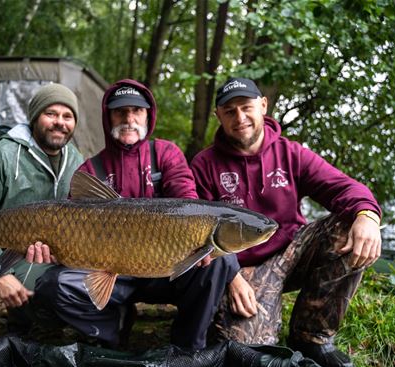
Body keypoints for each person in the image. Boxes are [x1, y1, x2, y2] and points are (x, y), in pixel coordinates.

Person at [26, 79, 241, 351]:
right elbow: (71, 233)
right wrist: (54, 248)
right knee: (52, 284)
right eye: (120, 111)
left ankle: (188, 348)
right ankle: (110, 330)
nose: (129, 118)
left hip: (167, 267)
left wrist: (228, 267)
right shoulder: (90, 170)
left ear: (148, 116)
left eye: (136, 111)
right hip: (110, 271)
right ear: (108, 117)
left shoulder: (165, 153)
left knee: (220, 260)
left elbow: (189, 201)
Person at [190, 77, 382, 367]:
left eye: (246, 107)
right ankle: (260, 317)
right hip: (244, 268)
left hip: (293, 251)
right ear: (219, 115)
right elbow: (197, 233)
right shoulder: (204, 165)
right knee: (249, 352)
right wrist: (231, 275)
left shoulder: (291, 153)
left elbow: (344, 188)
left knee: (349, 222)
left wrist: (367, 216)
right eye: (229, 111)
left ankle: (312, 336)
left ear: (263, 106)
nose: (239, 118)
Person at [0, 83, 84, 332]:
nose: (60, 122)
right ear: (35, 117)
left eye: (67, 116)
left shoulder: (76, 159)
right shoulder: (0, 156)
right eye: (51, 114)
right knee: (36, 319)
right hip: (15, 258)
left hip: (68, 254)